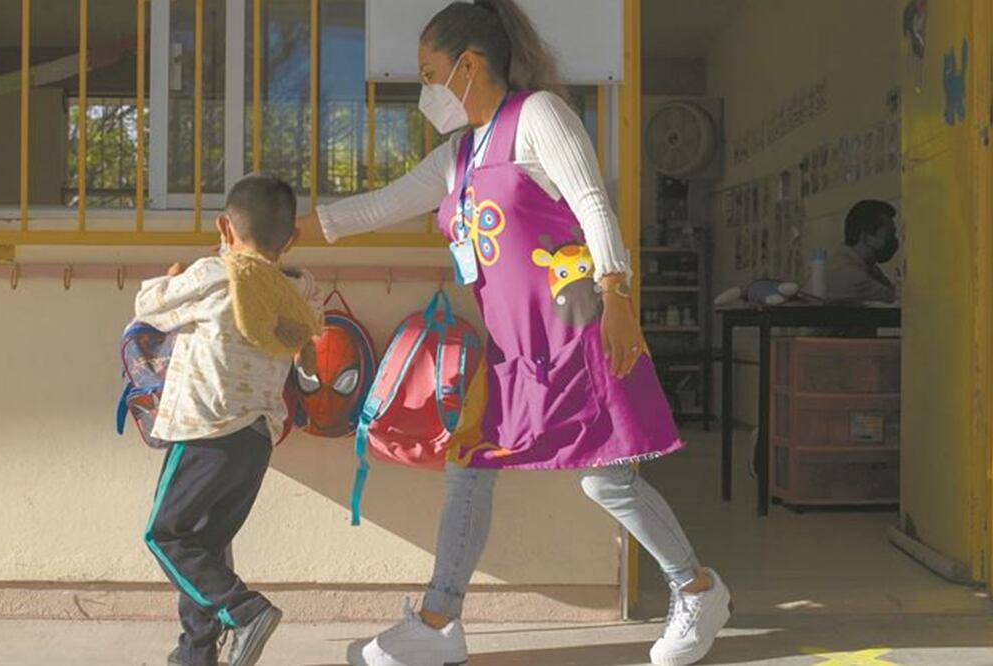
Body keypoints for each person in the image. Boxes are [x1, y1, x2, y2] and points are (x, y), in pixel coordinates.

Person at [297, 2, 730, 665]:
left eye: (429, 73)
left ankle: (697, 590)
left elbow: (592, 202)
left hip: (577, 331)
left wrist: (617, 295)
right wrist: (272, 234)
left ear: (467, 66)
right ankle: (438, 623)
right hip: (512, 350)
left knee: (607, 482)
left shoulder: (539, 117)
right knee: (468, 466)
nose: (424, 89)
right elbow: (377, 207)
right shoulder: (457, 156)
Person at [135, 174, 323, 666]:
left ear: (223, 227)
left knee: (165, 535)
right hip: (256, 439)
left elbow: (148, 308)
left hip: (204, 432)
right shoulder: (298, 291)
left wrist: (168, 278)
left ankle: (245, 611)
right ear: (291, 238)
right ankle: (195, 653)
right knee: (206, 547)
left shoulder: (212, 275)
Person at [827, 200, 900, 304]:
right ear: (866, 237)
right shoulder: (849, 273)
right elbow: (899, 300)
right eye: (890, 235)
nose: (894, 241)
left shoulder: (867, 267)